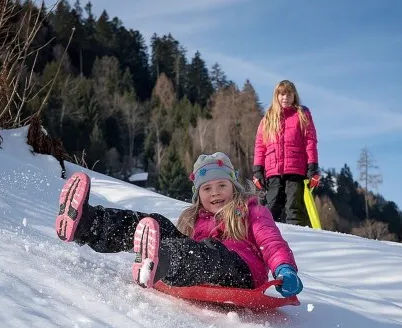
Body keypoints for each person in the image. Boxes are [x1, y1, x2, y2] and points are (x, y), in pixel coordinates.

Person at [54, 152, 304, 298]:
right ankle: (88, 223)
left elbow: (271, 241)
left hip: (241, 270)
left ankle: (159, 261)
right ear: (198, 194)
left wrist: (284, 269)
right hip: (202, 261)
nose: (215, 193)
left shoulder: (250, 209)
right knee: (156, 223)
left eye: (222, 186)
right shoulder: (195, 218)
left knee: (206, 253)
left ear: (234, 187)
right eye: (207, 188)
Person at [252, 80, 320, 227]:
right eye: (282, 94)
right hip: (273, 172)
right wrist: (257, 171)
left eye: (289, 93)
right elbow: (260, 146)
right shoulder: (268, 118)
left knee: (293, 208)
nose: (285, 97)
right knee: (272, 207)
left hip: (296, 170)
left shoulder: (302, 114)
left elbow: (310, 141)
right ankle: (269, 240)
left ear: (294, 95)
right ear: (276, 96)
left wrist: (313, 167)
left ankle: (297, 240)